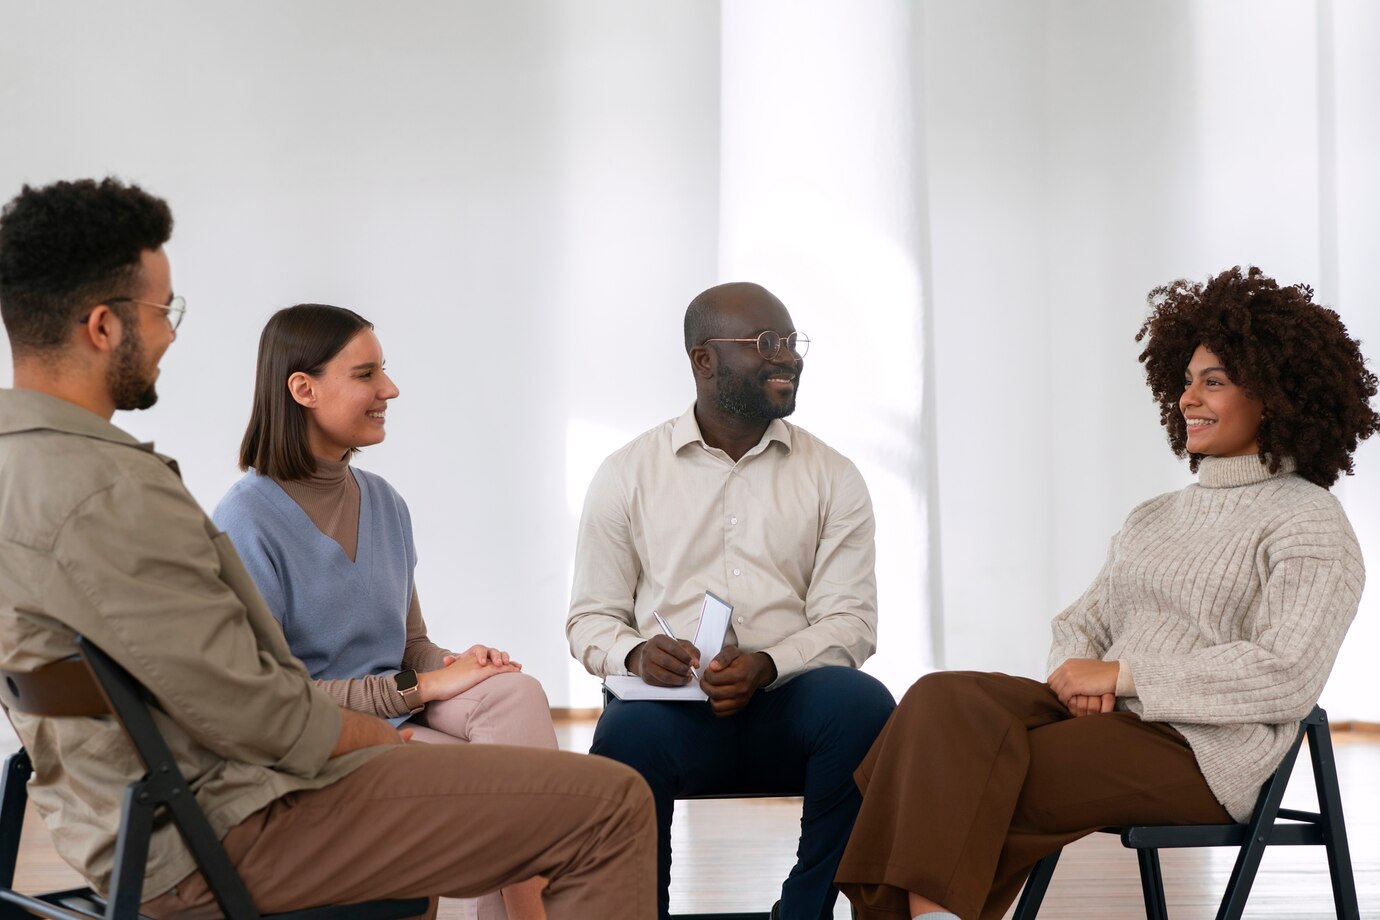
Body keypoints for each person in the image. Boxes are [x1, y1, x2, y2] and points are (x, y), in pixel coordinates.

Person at [0, 177, 656, 918]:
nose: (171, 334)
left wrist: (431, 694)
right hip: (230, 826)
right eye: (163, 311)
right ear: (102, 327)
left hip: (135, 824)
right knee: (613, 803)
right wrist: (396, 744)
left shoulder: (23, 471)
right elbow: (257, 709)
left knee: (513, 715)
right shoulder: (120, 492)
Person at [834, 266, 1379, 920]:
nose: (1188, 399)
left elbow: (1286, 673)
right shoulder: (1154, 515)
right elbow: (1082, 621)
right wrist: (1080, 677)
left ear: (1274, 396)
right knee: (937, 703)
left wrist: (1124, 674)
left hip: (1200, 751)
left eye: (1215, 382)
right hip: (1106, 721)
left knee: (966, 773)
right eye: (1185, 381)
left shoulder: (1309, 521)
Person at [212, 303, 558, 920]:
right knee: (506, 792)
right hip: (319, 741)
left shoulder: (386, 503)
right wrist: (419, 686)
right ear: (303, 389)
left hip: (396, 715)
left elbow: (409, 645)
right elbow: (272, 700)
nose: (389, 390)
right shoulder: (247, 520)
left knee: (515, 693)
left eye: (384, 372)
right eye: (367, 374)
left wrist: (457, 664)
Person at [567, 281, 897, 920]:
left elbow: (849, 622)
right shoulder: (627, 474)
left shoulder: (834, 476)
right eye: (764, 343)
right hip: (670, 715)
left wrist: (769, 663)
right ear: (703, 360)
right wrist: (636, 655)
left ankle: (804, 913)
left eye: (791, 342)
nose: (789, 357)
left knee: (862, 706)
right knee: (623, 736)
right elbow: (590, 619)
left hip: (787, 704)